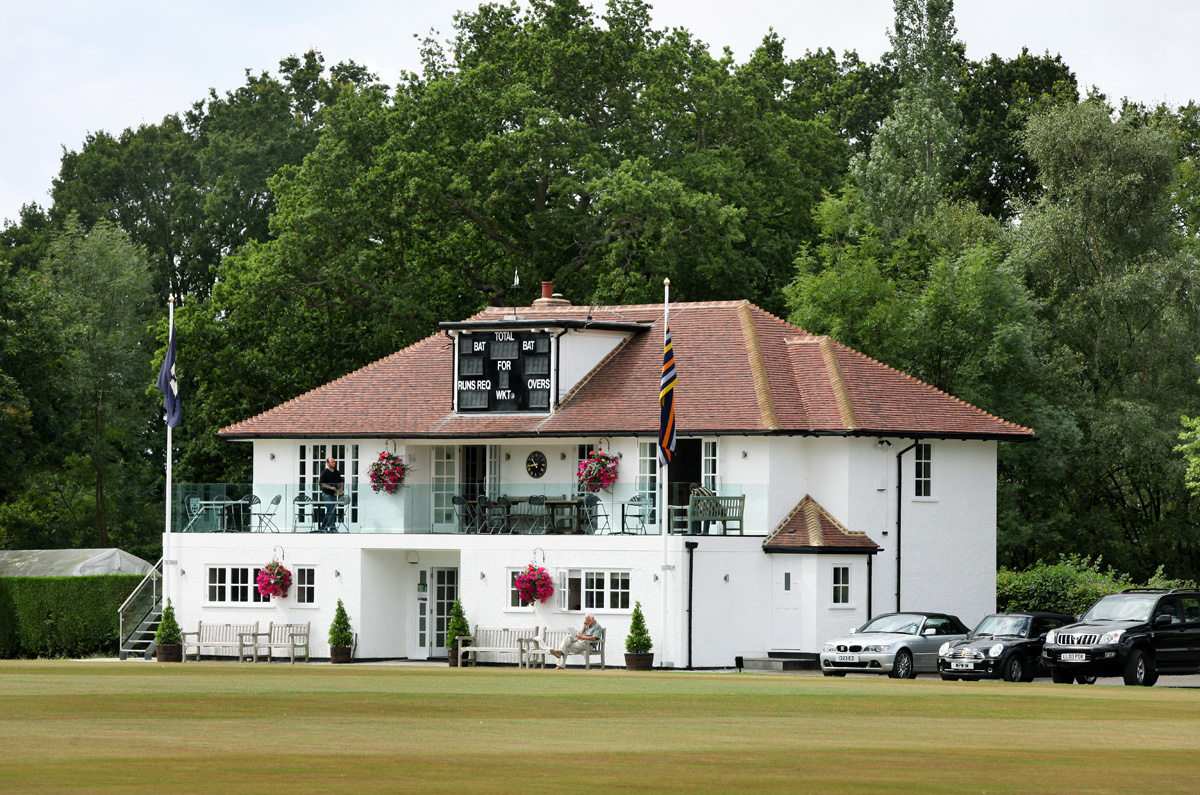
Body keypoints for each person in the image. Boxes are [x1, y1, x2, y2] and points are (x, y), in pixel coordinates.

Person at [319, 456, 344, 532]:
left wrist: (341, 488)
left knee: (330, 511)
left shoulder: (336, 472)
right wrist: (330, 487)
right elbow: (321, 484)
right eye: (332, 462)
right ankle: (333, 528)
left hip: (334, 495)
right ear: (328, 463)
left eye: (334, 461)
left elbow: (341, 481)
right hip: (326, 495)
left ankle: (323, 527)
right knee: (331, 511)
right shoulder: (325, 473)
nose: (334, 463)